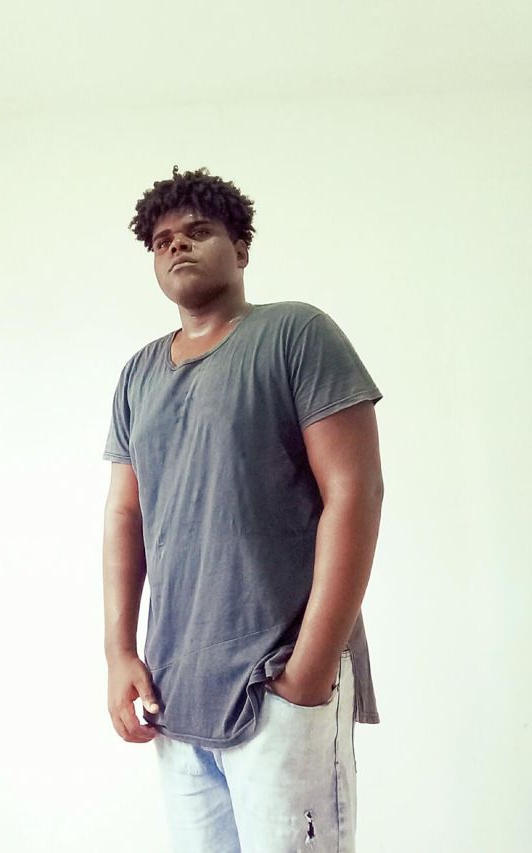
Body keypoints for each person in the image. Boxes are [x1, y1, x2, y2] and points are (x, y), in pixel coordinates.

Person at [102, 166, 384, 853]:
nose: (177, 245)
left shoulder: (296, 333)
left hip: (277, 678)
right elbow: (125, 517)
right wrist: (120, 652)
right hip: (175, 692)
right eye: (162, 240)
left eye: (197, 231)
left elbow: (355, 492)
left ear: (241, 248)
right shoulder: (138, 374)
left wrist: (310, 670)